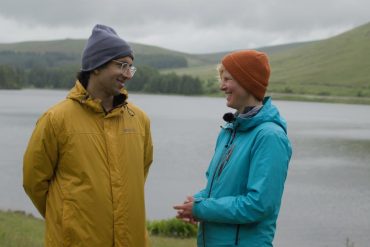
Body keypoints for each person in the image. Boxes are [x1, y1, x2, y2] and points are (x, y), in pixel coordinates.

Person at [23, 24, 153, 247]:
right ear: (95, 66)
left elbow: (139, 175)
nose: (127, 74)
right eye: (122, 65)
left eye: (131, 68)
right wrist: (66, 219)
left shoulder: (139, 119)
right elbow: (34, 182)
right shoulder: (55, 119)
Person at [174, 50, 292, 246]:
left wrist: (202, 209)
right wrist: (196, 202)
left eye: (227, 79)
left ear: (247, 81)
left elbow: (259, 205)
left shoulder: (270, 136)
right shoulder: (229, 131)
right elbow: (220, 191)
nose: (222, 86)